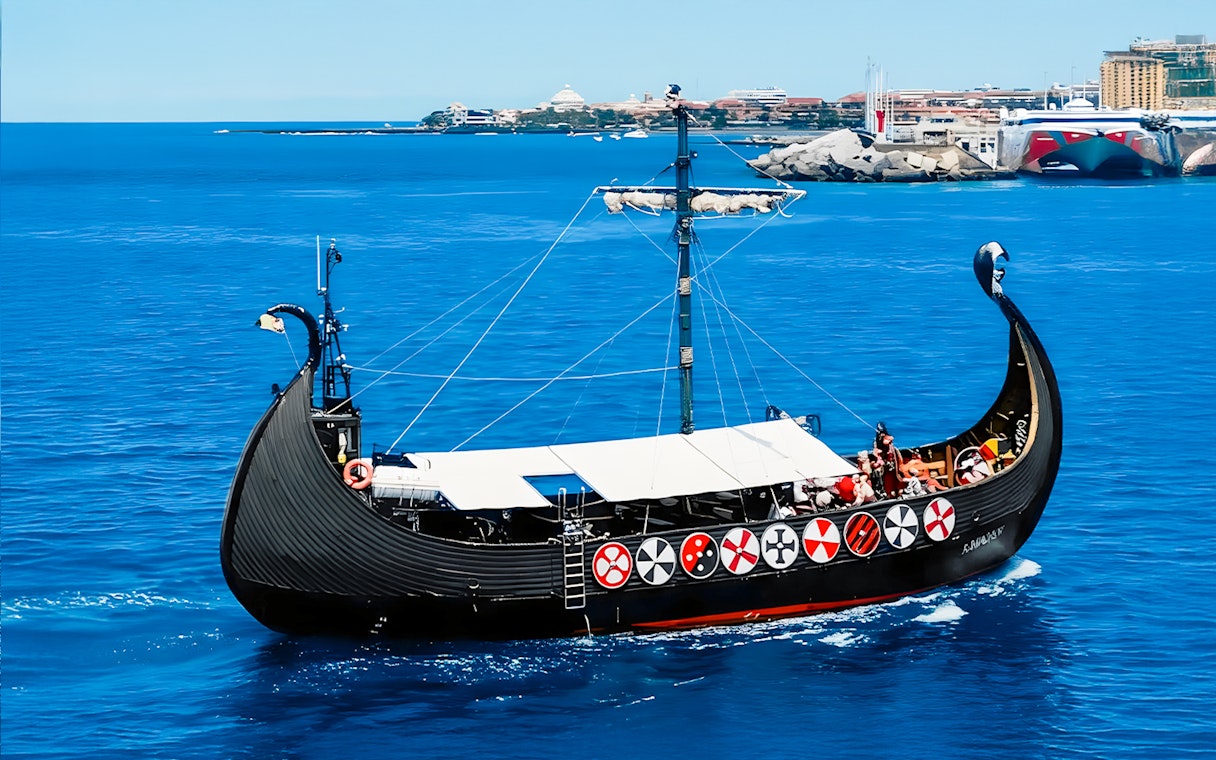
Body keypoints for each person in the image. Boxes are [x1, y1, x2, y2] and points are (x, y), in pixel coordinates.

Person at [874, 422, 902, 498]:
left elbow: (890, 439)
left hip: (891, 463)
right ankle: (890, 492)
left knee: (894, 477)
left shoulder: (885, 438)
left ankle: (896, 491)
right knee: (888, 479)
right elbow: (884, 443)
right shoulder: (879, 441)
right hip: (886, 463)